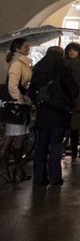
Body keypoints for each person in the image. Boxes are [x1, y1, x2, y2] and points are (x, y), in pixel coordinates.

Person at [28, 46, 78, 186]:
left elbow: (31, 93)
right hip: (58, 113)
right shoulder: (62, 68)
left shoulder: (38, 69)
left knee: (41, 146)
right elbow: (73, 89)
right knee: (56, 146)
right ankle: (55, 178)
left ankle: (39, 178)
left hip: (42, 114)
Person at [2, 38, 33, 183]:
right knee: (13, 139)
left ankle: (14, 169)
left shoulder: (23, 63)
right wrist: (20, 99)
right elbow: (13, 85)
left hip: (20, 105)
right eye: (25, 46)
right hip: (17, 106)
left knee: (13, 138)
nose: (28, 48)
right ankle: (9, 169)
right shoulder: (17, 64)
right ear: (18, 48)